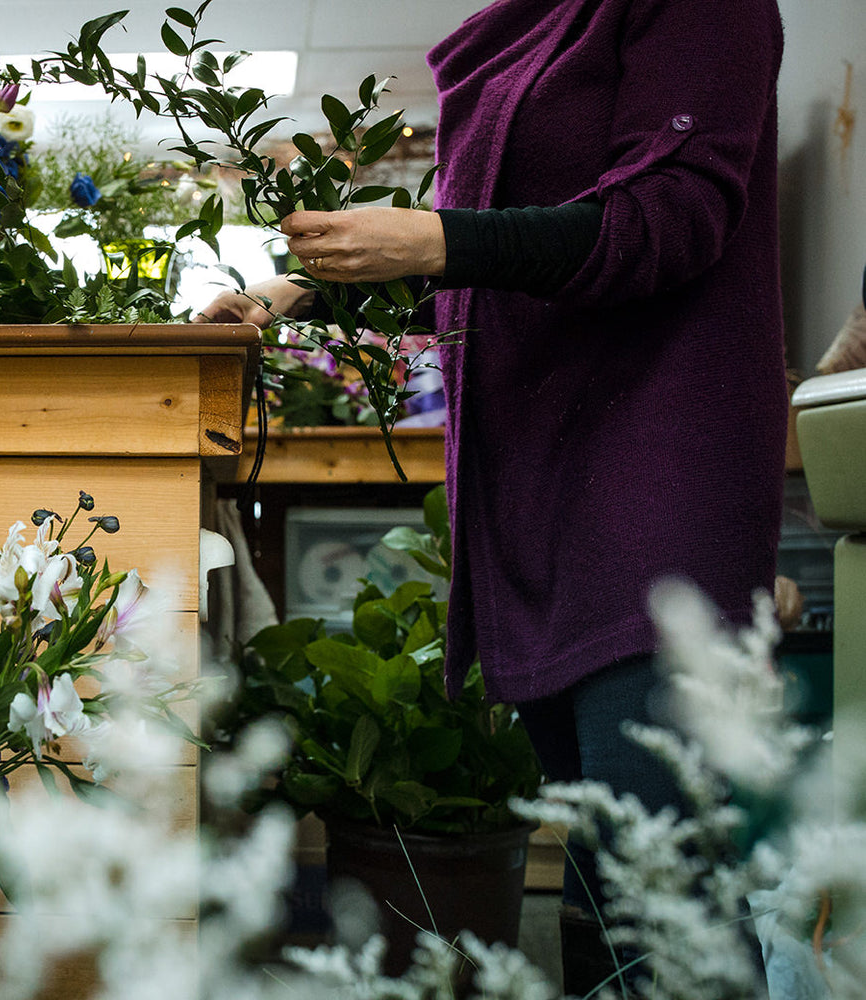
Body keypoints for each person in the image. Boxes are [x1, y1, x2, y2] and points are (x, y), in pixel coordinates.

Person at [201, 0, 787, 991]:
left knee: (662, 898)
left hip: (656, 478)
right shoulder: (533, 26)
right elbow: (501, 267)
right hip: (547, 492)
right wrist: (301, 295)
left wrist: (436, 238)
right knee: (609, 883)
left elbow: (669, 219)